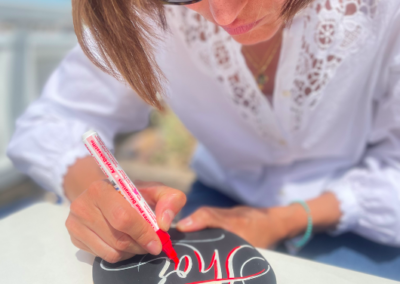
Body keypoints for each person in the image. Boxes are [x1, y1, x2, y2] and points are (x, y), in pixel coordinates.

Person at [7, 0, 400, 280]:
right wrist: (96, 192)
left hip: (363, 215)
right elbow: (55, 119)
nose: (224, 15)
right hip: (214, 202)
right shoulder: (150, 10)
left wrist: (284, 220)